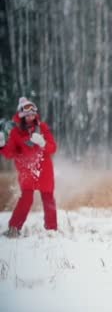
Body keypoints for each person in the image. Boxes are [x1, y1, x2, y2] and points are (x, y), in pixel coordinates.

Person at [0, 97, 58, 238]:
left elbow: (53, 148)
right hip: (27, 171)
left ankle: (51, 231)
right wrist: (1, 146)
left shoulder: (42, 128)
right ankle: (14, 228)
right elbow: (10, 153)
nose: (30, 117)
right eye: (27, 115)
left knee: (48, 198)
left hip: (44, 171)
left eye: (32, 114)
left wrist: (43, 143)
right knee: (26, 199)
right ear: (21, 116)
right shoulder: (15, 133)